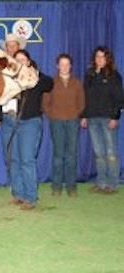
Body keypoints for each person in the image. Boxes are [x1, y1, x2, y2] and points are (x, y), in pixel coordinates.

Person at [0, 50, 53, 210]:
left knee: (27, 160)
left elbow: (50, 84)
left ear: (28, 62)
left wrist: (35, 73)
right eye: (17, 59)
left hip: (29, 122)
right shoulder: (7, 77)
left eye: (23, 59)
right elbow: (0, 99)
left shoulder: (35, 78)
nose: (19, 61)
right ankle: (18, 194)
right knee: (13, 159)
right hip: (9, 121)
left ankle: (31, 197)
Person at [81, 46, 124, 194]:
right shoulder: (89, 75)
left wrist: (115, 117)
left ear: (108, 58)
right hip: (92, 118)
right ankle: (101, 182)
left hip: (107, 118)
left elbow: (119, 99)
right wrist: (84, 115)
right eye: (97, 56)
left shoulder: (114, 76)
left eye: (102, 56)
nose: (99, 59)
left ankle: (112, 185)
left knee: (111, 153)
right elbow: (85, 97)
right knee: (99, 153)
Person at [42, 54, 85, 197]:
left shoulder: (77, 83)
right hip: (57, 122)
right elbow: (45, 104)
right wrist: (52, 116)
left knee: (71, 155)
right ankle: (56, 187)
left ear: (71, 66)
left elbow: (82, 102)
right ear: (57, 66)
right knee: (58, 155)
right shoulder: (51, 82)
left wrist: (75, 114)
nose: (64, 67)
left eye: (67, 64)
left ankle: (71, 187)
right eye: (62, 64)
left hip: (73, 121)